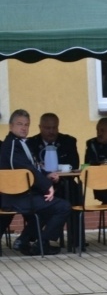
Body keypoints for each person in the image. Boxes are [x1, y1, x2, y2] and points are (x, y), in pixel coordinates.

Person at [0, 109, 71, 255]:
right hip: (16, 197)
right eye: (19, 124)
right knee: (63, 206)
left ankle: (24, 240)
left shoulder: (20, 143)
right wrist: (48, 186)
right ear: (11, 126)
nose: (23, 128)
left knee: (48, 207)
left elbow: (34, 166)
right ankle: (41, 243)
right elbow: (25, 169)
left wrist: (48, 174)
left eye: (26, 124)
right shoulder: (13, 144)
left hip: (22, 195)